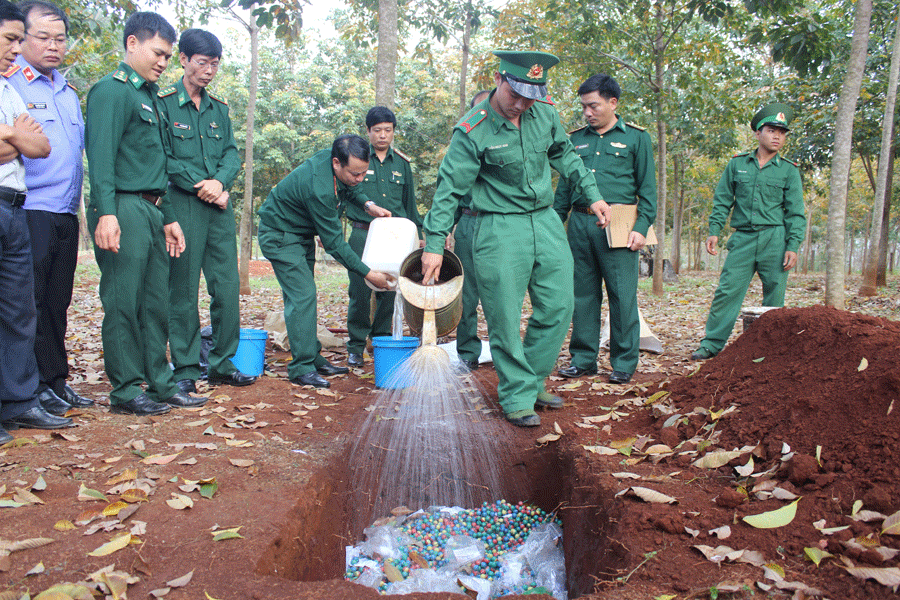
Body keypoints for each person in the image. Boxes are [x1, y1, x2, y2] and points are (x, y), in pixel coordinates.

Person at [420, 51, 611, 427]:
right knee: (505, 316)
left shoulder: (544, 114)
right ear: (498, 79)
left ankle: (532, 380)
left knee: (559, 306)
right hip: (499, 226)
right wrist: (433, 244)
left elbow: (565, 155)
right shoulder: (473, 129)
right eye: (515, 94)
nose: (521, 104)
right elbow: (448, 191)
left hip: (545, 220)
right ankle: (516, 395)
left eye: (531, 96)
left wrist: (593, 193)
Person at [85, 12, 206, 415]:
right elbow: (100, 158)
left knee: (155, 302)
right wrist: (106, 212)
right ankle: (124, 390)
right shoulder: (112, 91)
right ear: (132, 43)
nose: (163, 62)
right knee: (123, 300)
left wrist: (169, 217)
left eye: (169, 57)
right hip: (122, 206)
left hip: (152, 209)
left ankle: (160, 383)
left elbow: (161, 166)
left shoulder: (151, 97)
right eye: (158, 52)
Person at [4, 0, 91, 416]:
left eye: (60, 38)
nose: (53, 46)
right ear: (22, 40)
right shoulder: (13, 84)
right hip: (30, 208)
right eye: (42, 37)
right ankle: (32, 386)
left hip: (65, 212)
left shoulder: (67, 91)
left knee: (58, 300)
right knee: (29, 303)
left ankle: (56, 380)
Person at [158, 28, 255, 393]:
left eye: (214, 64)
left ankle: (222, 363)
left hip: (219, 209)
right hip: (183, 205)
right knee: (183, 288)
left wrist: (221, 182)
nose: (209, 71)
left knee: (227, 287)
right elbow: (163, 157)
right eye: (202, 63)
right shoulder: (164, 104)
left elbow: (231, 152)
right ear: (183, 60)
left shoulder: (221, 109)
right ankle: (185, 368)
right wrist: (203, 185)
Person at [257, 134, 394, 388]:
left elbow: (351, 189)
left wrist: (368, 204)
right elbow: (334, 244)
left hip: (300, 233)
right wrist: (368, 273)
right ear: (336, 163)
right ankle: (301, 368)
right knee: (302, 296)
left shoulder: (336, 168)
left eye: (364, 173)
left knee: (304, 297)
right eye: (355, 173)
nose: (360, 179)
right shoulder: (319, 187)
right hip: (280, 234)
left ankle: (312, 357)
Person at [554, 74, 657, 384]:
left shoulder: (637, 138)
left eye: (593, 106)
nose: (587, 112)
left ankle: (624, 361)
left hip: (620, 224)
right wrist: (555, 226)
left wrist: (641, 227)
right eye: (584, 106)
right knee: (582, 295)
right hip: (580, 222)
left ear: (613, 103)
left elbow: (648, 193)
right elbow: (564, 189)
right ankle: (583, 359)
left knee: (621, 295)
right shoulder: (574, 139)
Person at [691, 102, 806, 360]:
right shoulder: (737, 164)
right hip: (742, 238)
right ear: (758, 133)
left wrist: (792, 245)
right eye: (771, 130)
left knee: (774, 296)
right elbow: (722, 200)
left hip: (775, 239)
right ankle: (711, 344)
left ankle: (770, 350)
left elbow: (796, 212)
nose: (778, 136)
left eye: (782, 132)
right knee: (727, 291)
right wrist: (714, 230)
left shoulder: (789, 170)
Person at [343, 106, 421, 367]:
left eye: (388, 130)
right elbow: (343, 195)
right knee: (360, 291)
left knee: (390, 289)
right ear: (368, 131)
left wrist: (419, 235)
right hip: (363, 234)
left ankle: (381, 339)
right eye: (377, 130)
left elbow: (410, 205)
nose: (383, 136)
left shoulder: (402, 164)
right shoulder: (358, 158)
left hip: (395, 238)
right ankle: (355, 346)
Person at [451, 89, 491, 371]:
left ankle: (505, 351)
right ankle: (467, 352)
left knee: (502, 291)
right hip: (467, 221)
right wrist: (439, 233)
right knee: (466, 293)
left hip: (498, 223)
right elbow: (450, 193)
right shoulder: (462, 145)